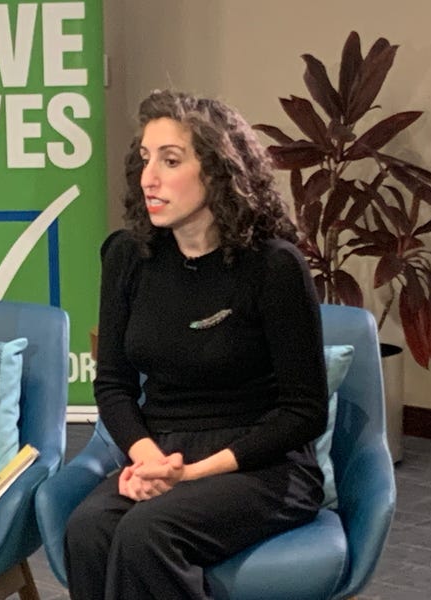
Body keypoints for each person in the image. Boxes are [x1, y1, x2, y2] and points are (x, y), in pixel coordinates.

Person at [64, 90, 329, 600]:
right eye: (145, 159)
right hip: (161, 451)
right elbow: (115, 385)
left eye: (170, 160)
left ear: (218, 170)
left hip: (261, 463)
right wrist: (146, 459)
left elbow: (305, 411)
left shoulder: (274, 266)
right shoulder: (126, 256)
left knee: (147, 534)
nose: (149, 178)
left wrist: (191, 473)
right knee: (89, 529)